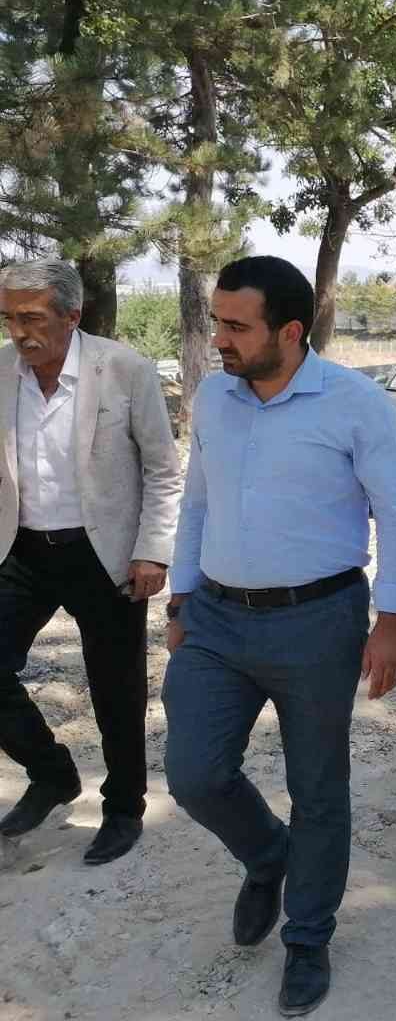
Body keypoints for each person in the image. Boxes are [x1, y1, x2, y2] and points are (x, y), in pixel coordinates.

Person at [163, 256, 396, 1017]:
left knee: (317, 789)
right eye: (217, 322)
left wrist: (392, 621)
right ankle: (267, 855)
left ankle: (307, 937)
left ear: (290, 331)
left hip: (318, 621)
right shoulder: (214, 397)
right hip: (215, 618)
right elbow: (198, 502)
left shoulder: (356, 402)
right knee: (193, 773)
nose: (220, 339)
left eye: (236, 326)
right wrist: (181, 599)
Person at [0, 260, 182, 865]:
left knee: (115, 690)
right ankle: (52, 773)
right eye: (9, 318)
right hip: (20, 548)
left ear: (71, 316)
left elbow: (162, 469)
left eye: (32, 318)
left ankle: (123, 808)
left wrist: (152, 550)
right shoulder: (2, 372)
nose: (19, 332)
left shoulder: (123, 369)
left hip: (104, 553)